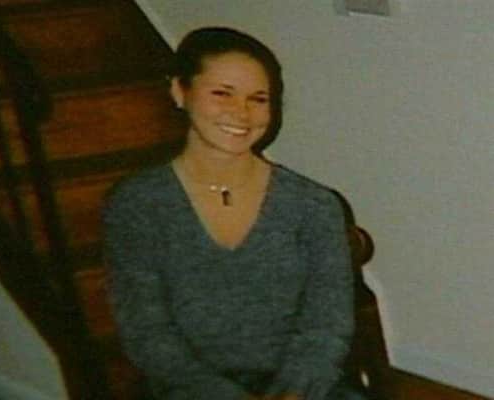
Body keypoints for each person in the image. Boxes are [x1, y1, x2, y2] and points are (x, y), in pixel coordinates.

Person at [103, 27, 365, 400]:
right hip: (190, 391)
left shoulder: (313, 205)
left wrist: (294, 393)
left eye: (258, 99)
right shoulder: (138, 204)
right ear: (179, 91)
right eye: (222, 93)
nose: (242, 112)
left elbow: (327, 326)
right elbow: (146, 332)